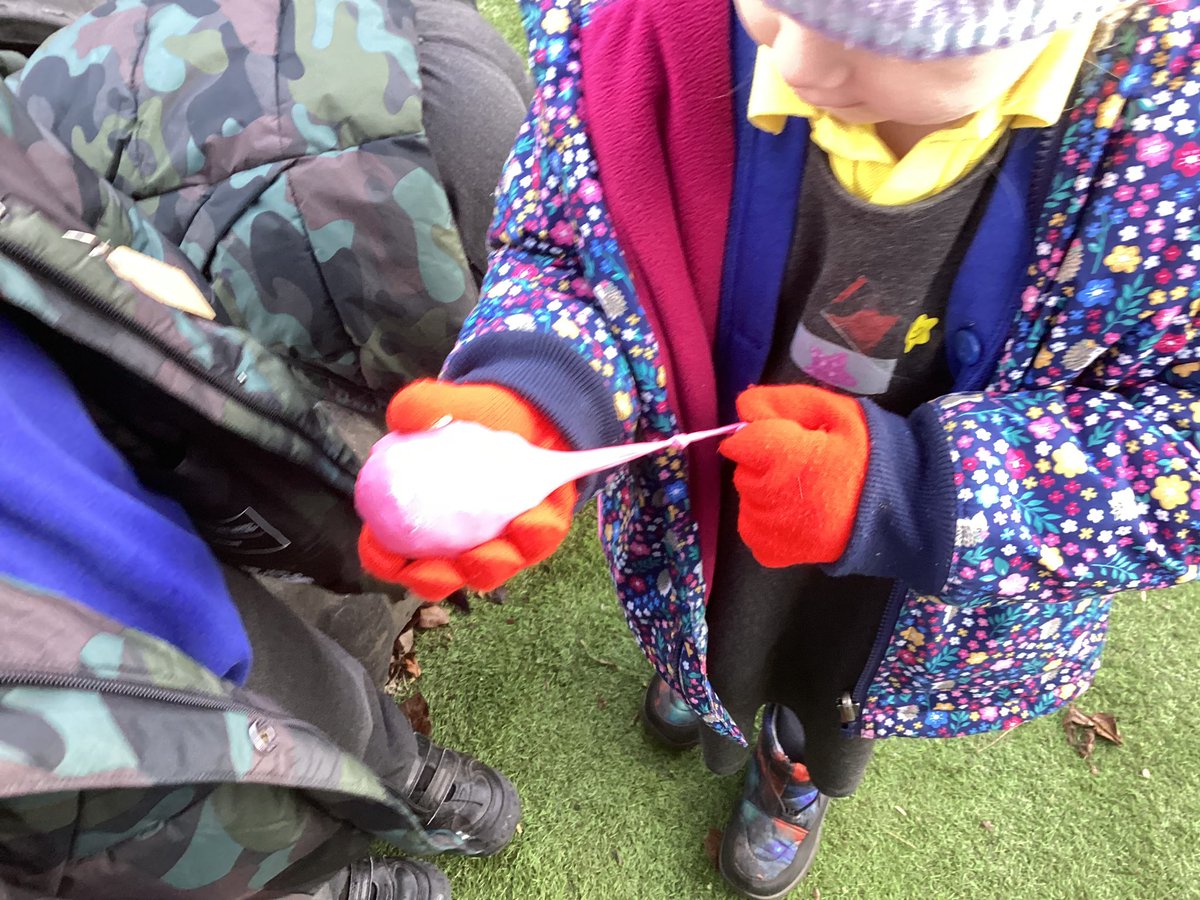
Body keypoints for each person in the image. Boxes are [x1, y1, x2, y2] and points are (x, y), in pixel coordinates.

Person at [357, 0, 1200, 897]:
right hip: (709, 515)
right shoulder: (641, 36)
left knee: (828, 686)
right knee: (714, 623)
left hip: (903, 584)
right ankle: (696, 672)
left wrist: (912, 493)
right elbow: (569, 244)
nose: (795, 63)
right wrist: (542, 392)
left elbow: (1175, 452)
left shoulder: (1170, 153)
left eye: (887, 41)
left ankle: (792, 764)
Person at [0, 0, 531, 897]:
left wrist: (124, 275)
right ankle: (323, 880)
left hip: (116, 509)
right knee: (168, 842)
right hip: (43, 746)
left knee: (301, 680)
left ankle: (389, 766)